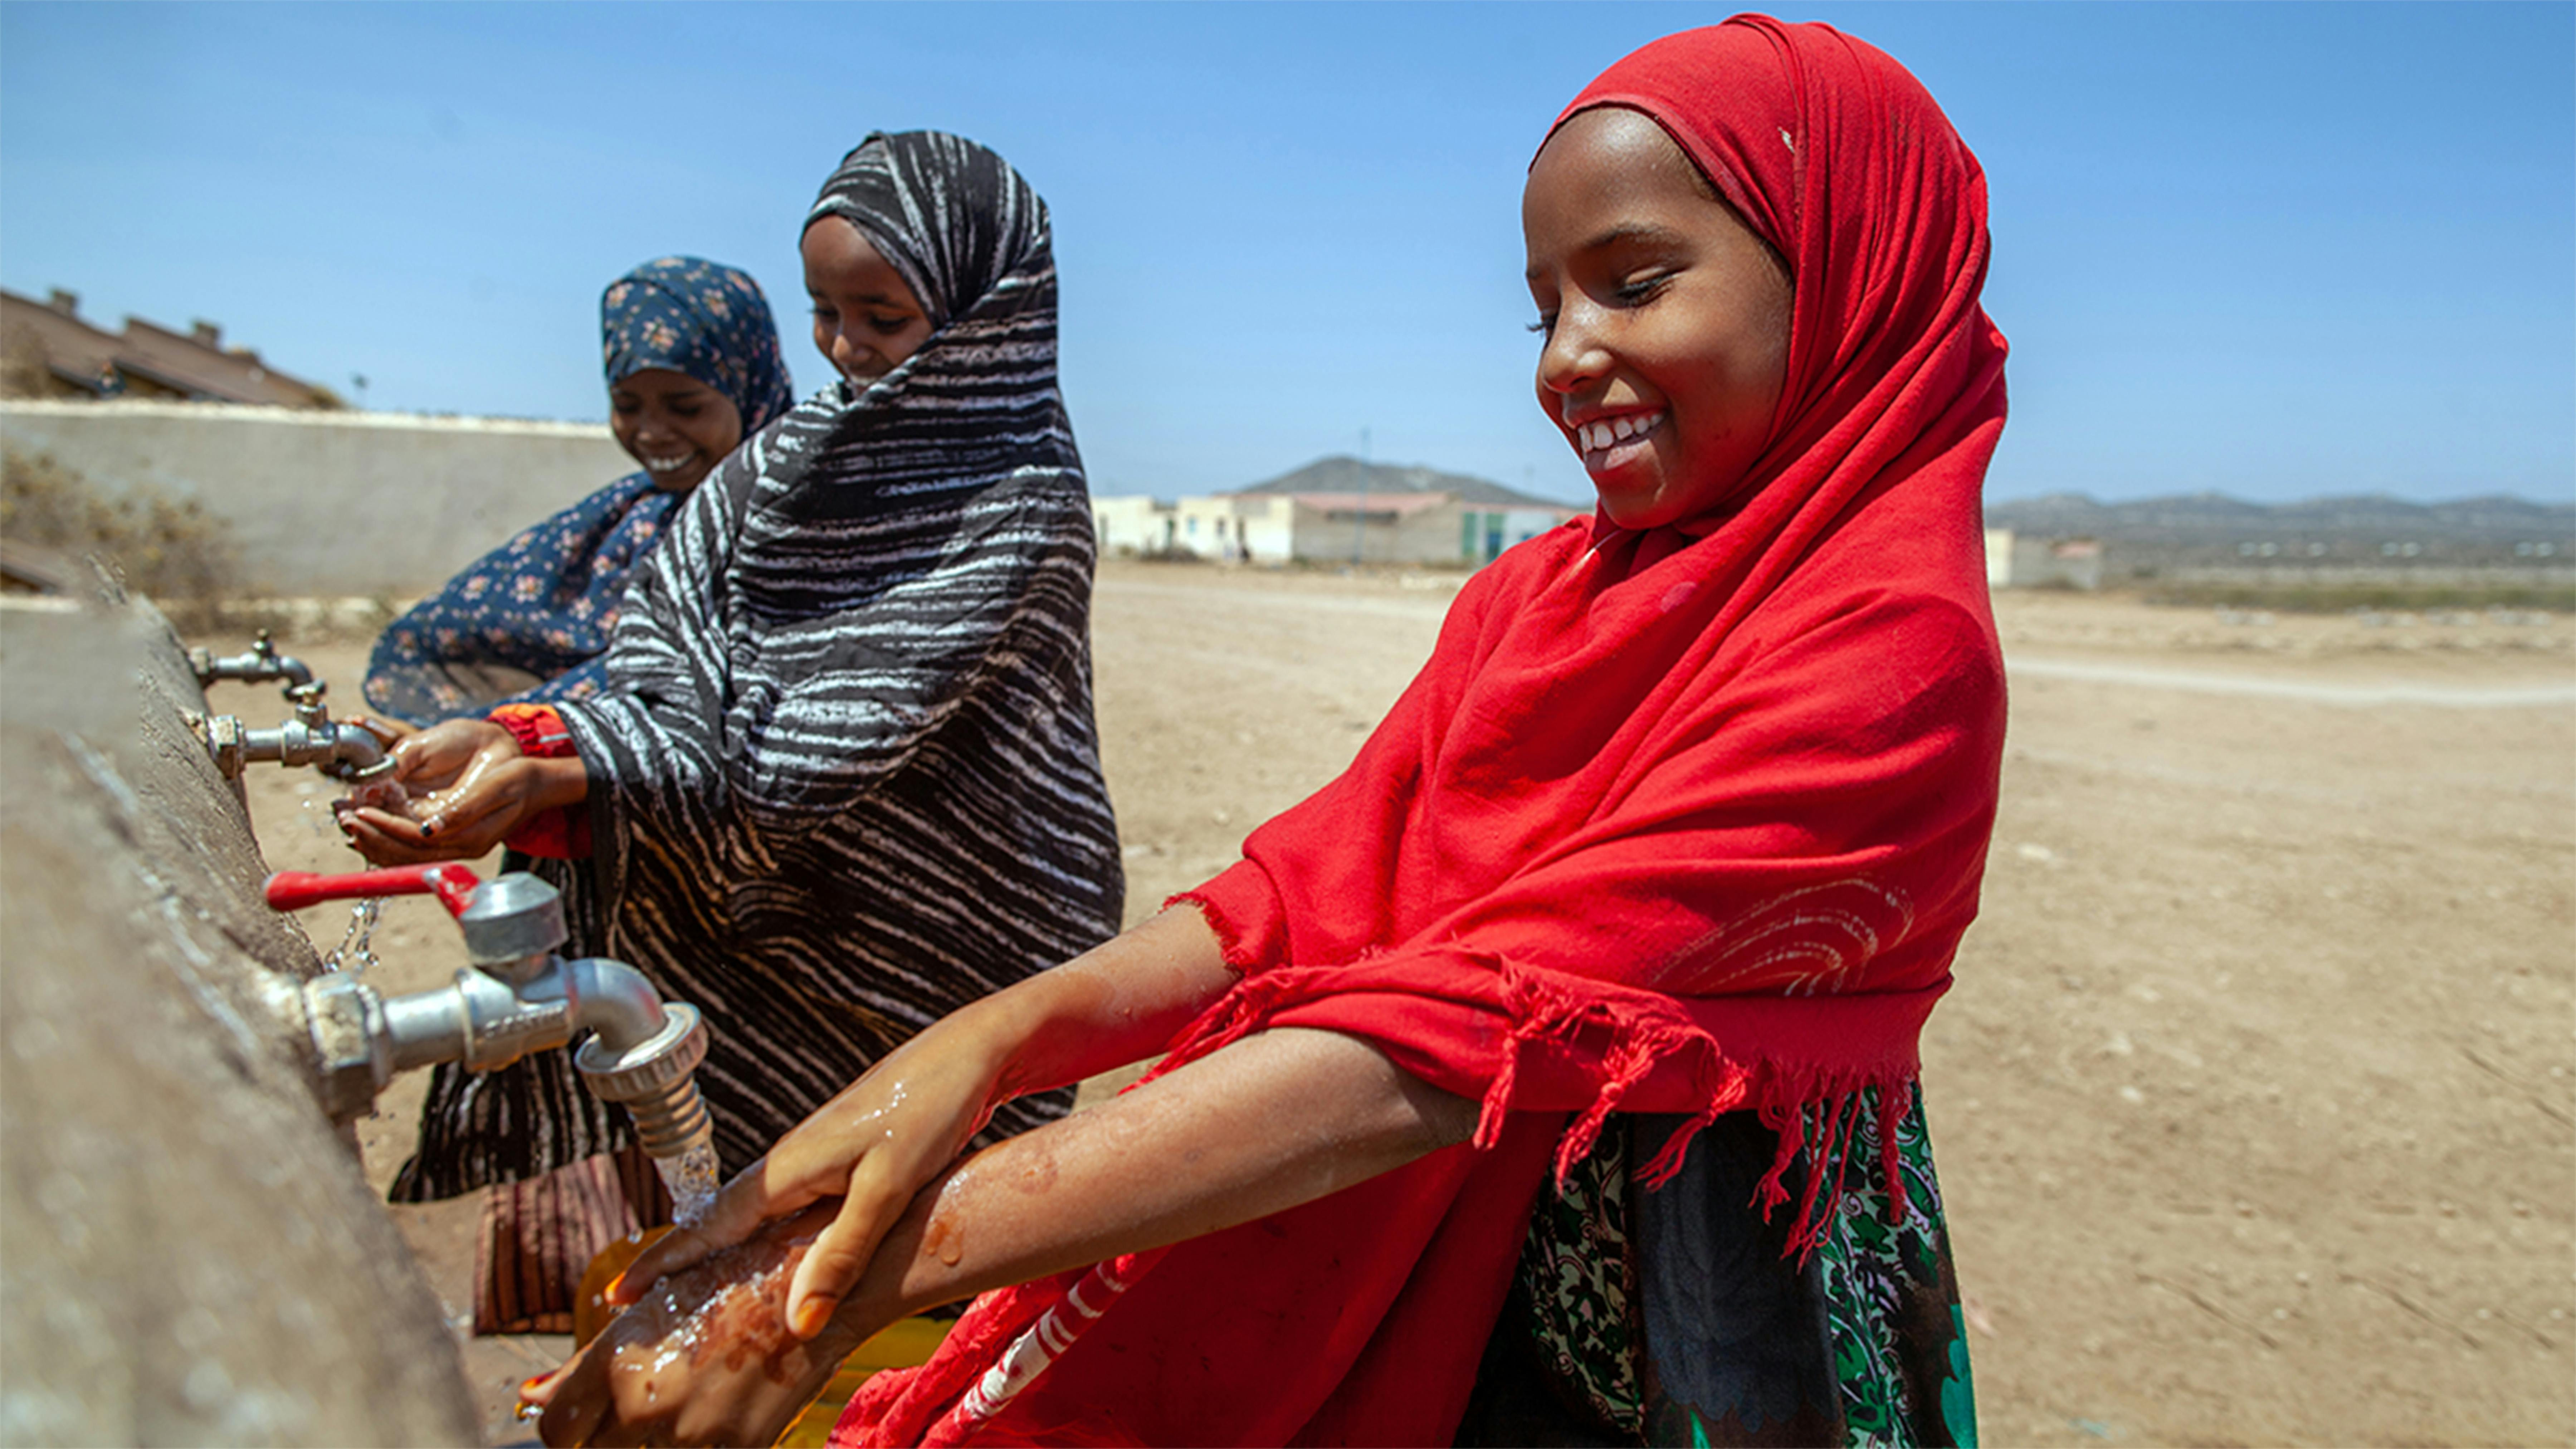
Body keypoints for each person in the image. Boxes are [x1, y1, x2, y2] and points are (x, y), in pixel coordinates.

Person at [538, 16, 2006, 1445]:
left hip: (1702, 1316)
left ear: (1846, 274)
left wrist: (852, 1277)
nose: (1567, 356)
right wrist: (989, 1040)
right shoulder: (1541, 599)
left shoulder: (1892, 656)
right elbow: (1304, 893)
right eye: (1544, 306)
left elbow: (1461, 1035)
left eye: (1634, 283)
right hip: (1427, 1255)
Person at [341, 132, 1126, 1337]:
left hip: (933, 942)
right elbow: (665, 644)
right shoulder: (790, 460)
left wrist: (576, 765)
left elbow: (825, 748)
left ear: (987, 312)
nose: (847, 350)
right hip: (759, 920)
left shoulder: (1019, 503)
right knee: (704, 1258)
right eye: (824, 314)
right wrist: (532, 734)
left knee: (869, 1276)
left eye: (883, 315)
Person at [361, 257, 794, 727]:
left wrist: (507, 736)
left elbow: (668, 675)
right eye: (627, 405)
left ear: (753, 388)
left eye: (685, 407)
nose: (651, 432)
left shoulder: (794, 526)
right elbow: (459, 628)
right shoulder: (632, 518)